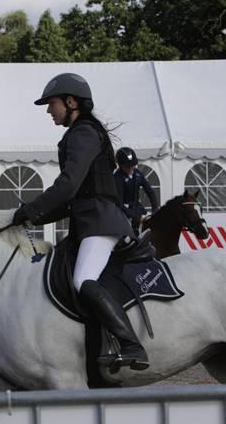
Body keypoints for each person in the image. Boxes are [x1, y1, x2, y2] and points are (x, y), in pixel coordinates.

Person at [12, 73, 149, 371]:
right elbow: (76, 199)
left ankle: (132, 345)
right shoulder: (79, 133)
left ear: (71, 102)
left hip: (102, 224)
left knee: (83, 279)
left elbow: (68, 186)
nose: (49, 110)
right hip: (89, 221)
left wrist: (31, 209)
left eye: (52, 104)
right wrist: (33, 216)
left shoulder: (83, 133)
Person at [114, 147, 160, 234]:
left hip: (137, 208)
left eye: (133, 165)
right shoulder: (117, 178)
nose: (131, 168)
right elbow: (119, 203)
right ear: (121, 166)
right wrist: (136, 217)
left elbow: (150, 191)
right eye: (128, 166)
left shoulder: (137, 173)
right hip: (124, 211)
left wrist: (155, 210)